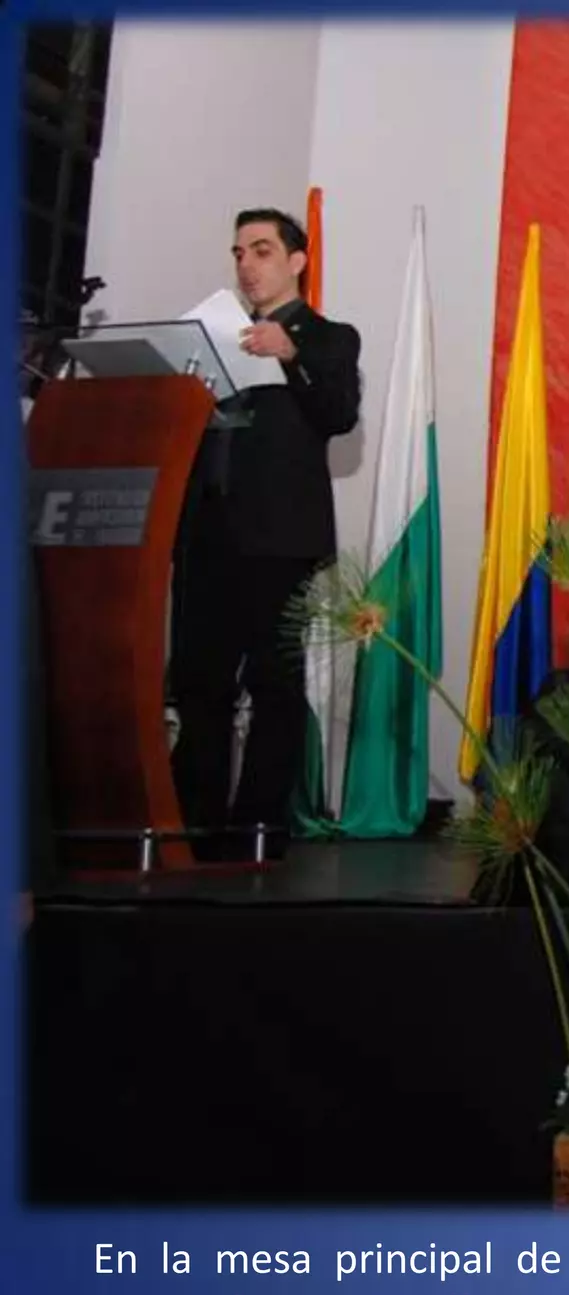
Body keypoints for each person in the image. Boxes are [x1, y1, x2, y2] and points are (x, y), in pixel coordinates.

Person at [170, 207, 360, 858]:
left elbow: (336, 416)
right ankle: (193, 825)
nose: (247, 265)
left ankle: (258, 829)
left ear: (297, 262)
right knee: (198, 683)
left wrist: (293, 355)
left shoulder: (330, 338)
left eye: (262, 251)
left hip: (280, 538)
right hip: (207, 534)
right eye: (239, 253)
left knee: (274, 683)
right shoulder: (214, 336)